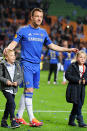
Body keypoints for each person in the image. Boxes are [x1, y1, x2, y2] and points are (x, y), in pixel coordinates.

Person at [3, 8, 78, 127]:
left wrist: (67, 49)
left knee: (27, 90)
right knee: (29, 90)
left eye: (41, 17)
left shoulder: (43, 32)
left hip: (36, 65)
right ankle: (32, 118)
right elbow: (14, 42)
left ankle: (19, 116)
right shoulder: (23, 30)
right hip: (26, 63)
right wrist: (8, 48)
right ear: (31, 17)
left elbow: (52, 45)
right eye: (37, 16)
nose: (39, 18)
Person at [0, 50, 23, 128]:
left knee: (8, 104)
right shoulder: (2, 65)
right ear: (6, 57)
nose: (14, 57)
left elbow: (21, 77)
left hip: (14, 89)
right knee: (12, 104)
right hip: (6, 88)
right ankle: (13, 121)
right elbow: (0, 76)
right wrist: (6, 81)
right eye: (11, 55)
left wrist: (17, 82)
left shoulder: (17, 65)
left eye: (14, 55)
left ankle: (3, 121)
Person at [65, 50, 87, 127]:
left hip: (82, 89)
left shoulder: (86, 67)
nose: (82, 59)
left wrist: (85, 81)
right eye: (81, 57)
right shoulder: (73, 66)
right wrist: (77, 80)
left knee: (78, 104)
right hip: (74, 88)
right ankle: (80, 121)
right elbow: (67, 75)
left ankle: (71, 121)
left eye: (84, 58)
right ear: (77, 58)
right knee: (78, 104)